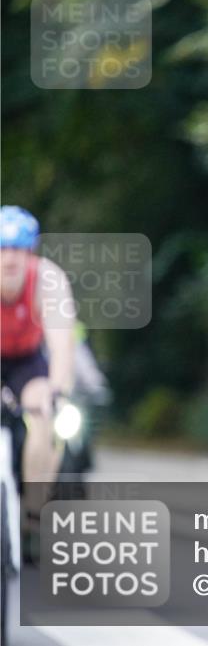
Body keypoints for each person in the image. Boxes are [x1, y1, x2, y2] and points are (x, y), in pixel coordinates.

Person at [0, 206, 76, 498]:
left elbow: (61, 345)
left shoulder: (48, 280)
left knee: (45, 412)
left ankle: (34, 506)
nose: (10, 258)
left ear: (30, 251)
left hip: (26, 361)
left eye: (18, 249)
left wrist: (55, 391)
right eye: (3, 249)